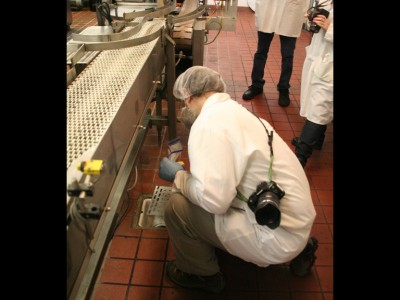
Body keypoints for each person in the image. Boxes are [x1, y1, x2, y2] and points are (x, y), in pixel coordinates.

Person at [159, 66, 318, 294]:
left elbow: (214, 202)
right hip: (297, 220)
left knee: (177, 206)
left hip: (274, 238)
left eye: (184, 103)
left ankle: (202, 275)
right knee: (200, 188)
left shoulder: (207, 124)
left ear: (190, 97)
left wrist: (178, 176)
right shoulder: (241, 113)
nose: (184, 108)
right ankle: (301, 250)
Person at [242, 0, 309, 106]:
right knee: (261, 51)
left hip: (291, 10)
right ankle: (256, 85)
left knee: (287, 55)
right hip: (268, 8)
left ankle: (284, 88)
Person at [291, 0, 333, 167]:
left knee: (319, 108)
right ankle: (316, 141)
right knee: (316, 103)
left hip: (330, 67)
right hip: (320, 58)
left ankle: (300, 157)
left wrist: (329, 27)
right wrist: (315, 18)